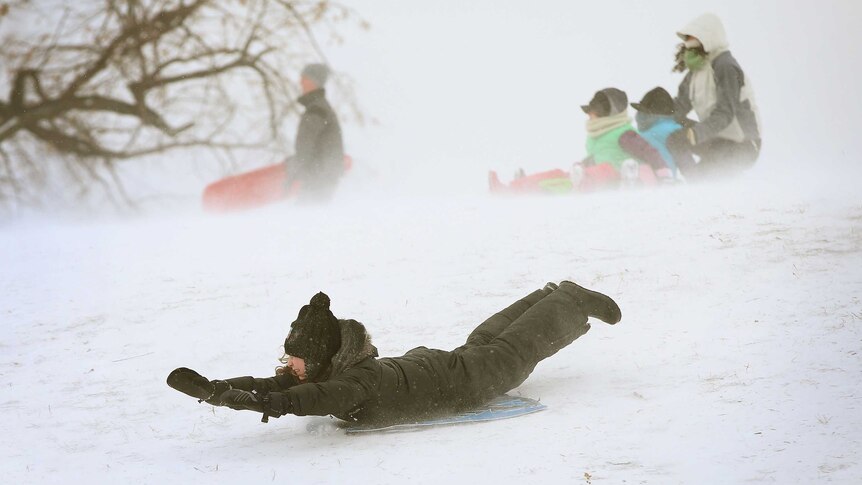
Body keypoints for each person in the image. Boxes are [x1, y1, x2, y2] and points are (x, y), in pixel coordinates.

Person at [167, 281, 622, 426]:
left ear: (321, 357)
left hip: (462, 380)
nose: (289, 367)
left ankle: (569, 301)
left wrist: (252, 403)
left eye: (295, 359)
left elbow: (296, 402)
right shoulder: (331, 370)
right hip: (437, 367)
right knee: (487, 341)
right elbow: (272, 386)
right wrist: (218, 390)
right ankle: (550, 294)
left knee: (513, 349)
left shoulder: (348, 384)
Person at [667, 13, 762, 180]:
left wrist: (695, 133)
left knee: (708, 177)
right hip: (717, 139)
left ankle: (700, 186)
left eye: (692, 37)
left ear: (707, 38)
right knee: (674, 137)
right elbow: (679, 107)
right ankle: (693, 181)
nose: (688, 44)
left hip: (743, 144)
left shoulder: (725, 66)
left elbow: (725, 112)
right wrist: (655, 118)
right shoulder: (697, 72)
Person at [575, 88, 672, 191]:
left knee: (611, 170)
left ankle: (630, 181)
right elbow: (596, 157)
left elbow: (649, 152)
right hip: (611, 180)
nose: (589, 116)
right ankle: (576, 183)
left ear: (605, 114)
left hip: (639, 177)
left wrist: (664, 175)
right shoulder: (594, 138)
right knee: (600, 171)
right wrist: (582, 167)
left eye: (592, 113)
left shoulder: (623, 134)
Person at [287, 63, 345, 202]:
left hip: (317, 177)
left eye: (304, 78)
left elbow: (305, 145)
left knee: (307, 216)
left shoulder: (317, 110)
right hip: (323, 175)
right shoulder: (320, 107)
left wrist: (294, 171)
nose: (300, 82)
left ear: (314, 81)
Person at [631, 87, 685, 179]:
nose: (639, 114)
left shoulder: (649, 135)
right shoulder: (676, 128)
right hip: (668, 181)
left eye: (641, 110)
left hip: (652, 182)